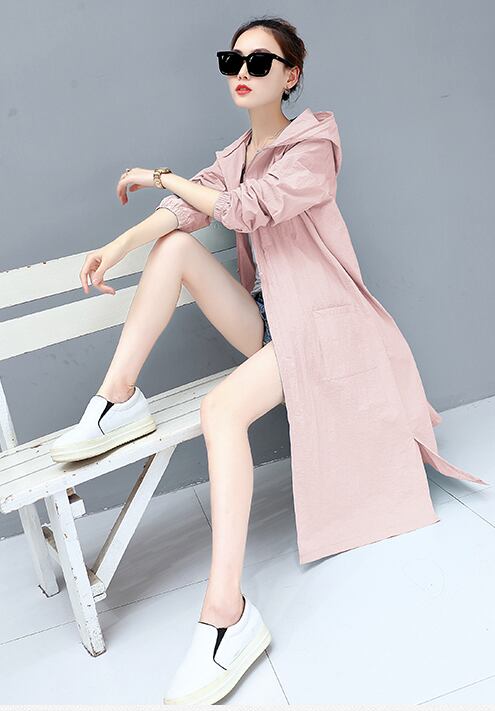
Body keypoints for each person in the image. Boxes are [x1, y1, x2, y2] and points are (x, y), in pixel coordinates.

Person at [48, 15, 487, 706]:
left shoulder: (314, 144)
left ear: (291, 74)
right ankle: (118, 398)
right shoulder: (236, 153)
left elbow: (246, 209)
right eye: (234, 61)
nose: (243, 73)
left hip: (321, 328)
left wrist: (162, 175)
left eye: (260, 61)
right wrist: (120, 244)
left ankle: (226, 614)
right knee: (174, 247)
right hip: (270, 321)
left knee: (220, 410)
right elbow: (186, 211)